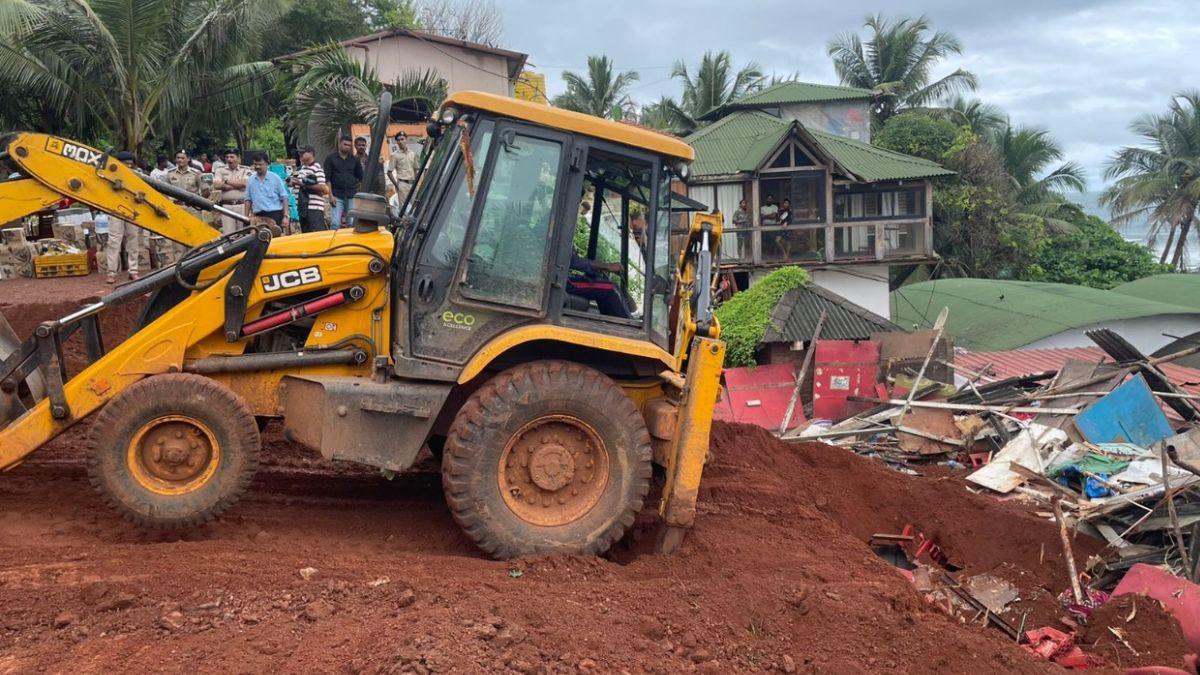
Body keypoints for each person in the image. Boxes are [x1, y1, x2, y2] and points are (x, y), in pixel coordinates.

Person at [103, 151, 147, 283]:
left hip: (132, 210)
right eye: (126, 163)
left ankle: (133, 271)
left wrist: (141, 196)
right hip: (115, 209)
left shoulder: (137, 175)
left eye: (130, 163)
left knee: (133, 240)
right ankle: (111, 272)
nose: (129, 166)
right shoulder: (109, 174)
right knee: (114, 241)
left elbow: (144, 191)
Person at [164, 149, 205, 264]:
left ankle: (196, 263)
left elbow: (204, 191)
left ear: (188, 159)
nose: (180, 160)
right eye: (178, 158)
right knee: (178, 236)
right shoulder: (170, 173)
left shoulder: (196, 173)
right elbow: (164, 190)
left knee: (195, 236)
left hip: (193, 209)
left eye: (182, 158)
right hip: (177, 208)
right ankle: (179, 264)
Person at [567, 252, 630, 319]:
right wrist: (607, 266)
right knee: (611, 288)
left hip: (564, 277)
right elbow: (572, 260)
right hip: (563, 281)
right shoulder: (561, 244)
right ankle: (628, 326)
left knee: (610, 286)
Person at [245, 152, 291, 232]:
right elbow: (248, 199)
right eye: (255, 164)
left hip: (275, 215)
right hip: (258, 216)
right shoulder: (251, 180)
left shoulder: (275, 178)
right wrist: (245, 216)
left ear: (266, 164)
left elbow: (284, 197)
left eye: (260, 164)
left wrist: (285, 216)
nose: (257, 167)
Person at [323, 136, 362, 228]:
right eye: (345, 144)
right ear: (339, 144)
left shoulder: (354, 160)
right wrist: (330, 195)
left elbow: (360, 177)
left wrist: (358, 192)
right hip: (337, 195)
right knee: (335, 222)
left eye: (349, 145)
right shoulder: (330, 158)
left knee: (352, 222)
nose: (347, 147)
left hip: (351, 194)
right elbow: (327, 179)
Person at [212, 149, 252, 235]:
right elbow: (217, 185)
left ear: (238, 158)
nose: (229, 159)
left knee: (244, 233)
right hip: (227, 206)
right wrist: (237, 185)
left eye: (232, 157)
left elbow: (245, 183)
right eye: (227, 157)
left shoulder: (245, 169)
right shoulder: (220, 170)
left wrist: (226, 181)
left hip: (242, 205)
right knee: (229, 234)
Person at [288, 146, 328, 233]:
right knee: (306, 235)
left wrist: (302, 184)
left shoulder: (317, 168)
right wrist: (292, 182)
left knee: (317, 233)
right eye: (299, 153)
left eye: (303, 152)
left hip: (314, 208)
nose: (300, 155)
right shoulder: (300, 169)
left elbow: (322, 188)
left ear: (311, 153)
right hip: (302, 208)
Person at [386, 130, 420, 207]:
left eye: (402, 139)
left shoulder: (412, 154)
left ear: (406, 140)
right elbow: (389, 172)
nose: (401, 142)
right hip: (402, 184)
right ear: (397, 142)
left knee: (416, 206)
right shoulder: (394, 155)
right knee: (403, 208)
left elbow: (416, 169)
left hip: (413, 184)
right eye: (398, 140)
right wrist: (396, 185)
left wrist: (417, 183)